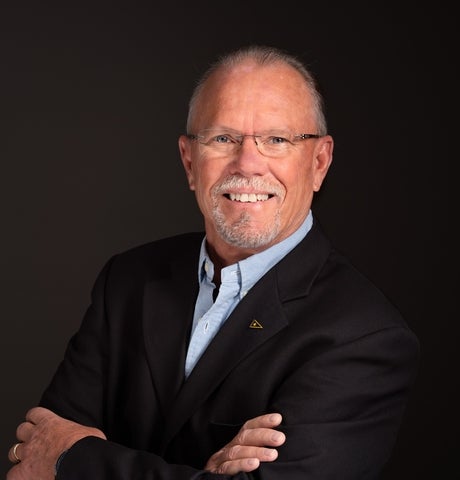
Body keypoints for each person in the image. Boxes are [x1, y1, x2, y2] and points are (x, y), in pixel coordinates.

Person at [7, 44, 420, 480]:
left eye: (276, 140)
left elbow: (51, 457)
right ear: (189, 161)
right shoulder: (127, 281)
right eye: (223, 139)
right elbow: (31, 458)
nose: (247, 163)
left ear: (319, 163)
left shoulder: (364, 337)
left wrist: (75, 459)